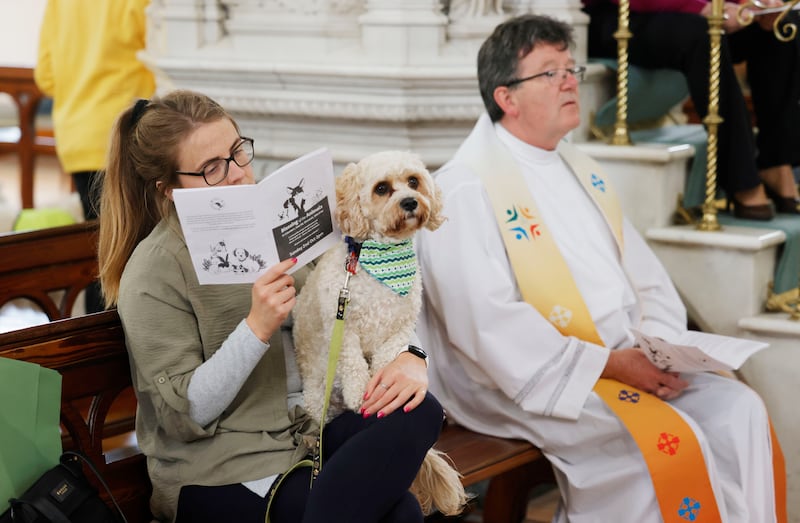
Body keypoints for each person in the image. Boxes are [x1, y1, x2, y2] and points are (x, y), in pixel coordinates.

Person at [416, 14, 785, 522]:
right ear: (507, 97)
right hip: (526, 378)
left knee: (739, 411)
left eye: (572, 68)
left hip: (623, 357)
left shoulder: (579, 166)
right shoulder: (463, 188)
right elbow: (484, 324)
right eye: (550, 72)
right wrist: (609, 364)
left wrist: (657, 347)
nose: (571, 81)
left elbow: (647, 278)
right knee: (670, 444)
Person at [97, 90, 443, 523]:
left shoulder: (276, 217)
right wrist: (256, 328)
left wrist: (412, 354)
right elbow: (186, 416)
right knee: (399, 513)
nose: (239, 175)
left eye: (238, 152)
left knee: (421, 411)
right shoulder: (153, 271)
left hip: (309, 431)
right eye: (211, 169)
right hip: (223, 466)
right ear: (167, 189)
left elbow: (362, 295)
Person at [583, 0, 800, 220]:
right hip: (616, 16)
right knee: (704, 34)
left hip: (685, 10)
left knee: (781, 26)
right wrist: (703, 8)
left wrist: (749, 6)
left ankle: (776, 162)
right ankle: (742, 178)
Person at [34, 0, 156, 312]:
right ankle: (113, 347)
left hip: (76, 137)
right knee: (131, 250)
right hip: (125, 133)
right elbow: (161, 58)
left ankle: (95, 346)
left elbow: (45, 77)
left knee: (101, 249)